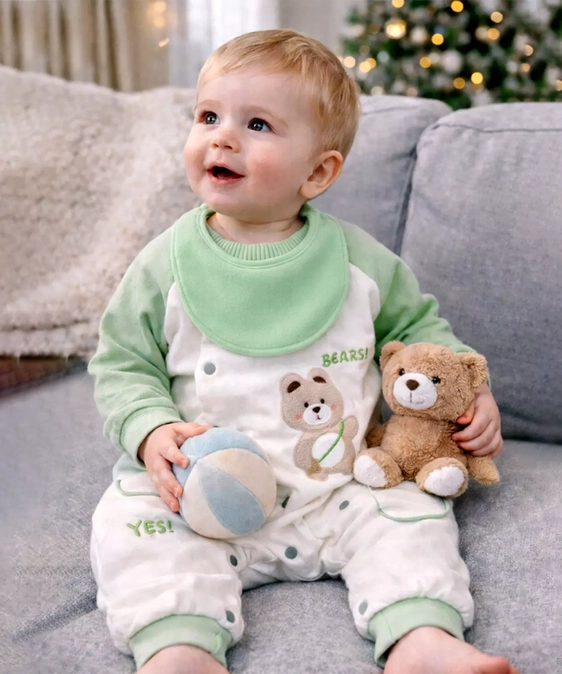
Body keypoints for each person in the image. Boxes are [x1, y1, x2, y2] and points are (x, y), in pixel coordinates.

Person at [88, 29, 516, 674]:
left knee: (409, 513)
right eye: (209, 117)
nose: (222, 139)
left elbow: (420, 331)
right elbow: (123, 363)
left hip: (339, 487)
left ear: (317, 172)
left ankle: (421, 638)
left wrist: (471, 393)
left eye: (256, 124)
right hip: (197, 496)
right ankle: (180, 648)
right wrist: (149, 430)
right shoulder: (161, 265)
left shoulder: (359, 261)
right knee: (133, 528)